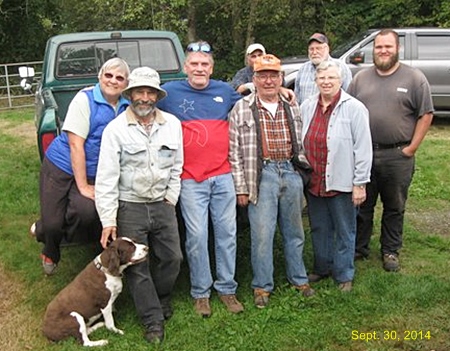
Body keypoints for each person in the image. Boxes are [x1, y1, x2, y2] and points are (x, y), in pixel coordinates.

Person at [95, 67, 183, 344]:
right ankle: (152, 320)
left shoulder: (172, 124)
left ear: (157, 95)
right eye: (139, 92)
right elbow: (106, 178)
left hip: (162, 204)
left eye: (150, 93)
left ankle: (160, 297)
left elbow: (177, 166)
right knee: (137, 267)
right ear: (130, 94)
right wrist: (109, 219)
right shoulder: (116, 130)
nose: (145, 98)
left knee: (173, 258)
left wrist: (171, 198)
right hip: (130, 206)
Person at [157, 41, 244, 318]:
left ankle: (227, 288)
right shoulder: (169, 92)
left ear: (212, 68)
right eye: (194, 64)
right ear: (185, 67)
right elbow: (139, 100)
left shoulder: (224, 91)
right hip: (190, 178)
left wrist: (284, 94)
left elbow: (251, 104)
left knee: (227, 233)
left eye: (204, 64)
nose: (199, 69)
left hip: (223, 175)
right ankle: (200, 292)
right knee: (196, 236)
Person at [229, 54, 315, 308]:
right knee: (262, 234)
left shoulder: (292, 104)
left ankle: (299, 279)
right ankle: (262, 286)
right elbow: (234, 151)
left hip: (290, 170)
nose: (268, 81)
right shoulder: (242, 107)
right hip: (261, 174)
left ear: (281, 79)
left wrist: (301, 171)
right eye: (262, 76)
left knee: (295, 232)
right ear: (253, 79)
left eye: (273, 75)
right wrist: (241, 188)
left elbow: (302, 140)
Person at [30, 57, 130, 275]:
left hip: (95, 171)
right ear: (99, 77)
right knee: (53, 225)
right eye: (108, 75)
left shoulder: (127, 105)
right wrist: (83, 186)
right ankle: (50, 247)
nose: (113, 81)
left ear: (126, 83)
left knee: (86, 213)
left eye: (119, 78)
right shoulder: (84, 100)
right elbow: (76, 146)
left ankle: (44, 225)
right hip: (60, 165)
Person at [348, 29, 434, 271]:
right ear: (372, 50)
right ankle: (359, 248)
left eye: (388, 47)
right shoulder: (360, 79)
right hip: (364, 154)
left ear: (397, 49)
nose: (383, 51)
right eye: (378, 47)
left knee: (394, 206)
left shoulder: (414, 78)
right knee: (362, 205)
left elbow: (426, 114)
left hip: (397, 155)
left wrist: (411, 148)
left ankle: (390, 250)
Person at [300, 61, 372, 292]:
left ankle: (343, 274)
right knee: (319, 227)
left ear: (340, 80)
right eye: (322, 78)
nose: (326, 82)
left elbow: (363, 149)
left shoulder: (354, 108)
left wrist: (360, 183)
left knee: (344, 228)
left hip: (343, 181)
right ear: (316, 81)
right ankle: (322, 267)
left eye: (331, 78)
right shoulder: (307, 105)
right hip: (315, 181)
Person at [294, 33, 352, 104]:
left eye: (318, 48)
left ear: (327, 49)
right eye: (311, 49)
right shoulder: (303, 69)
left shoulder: (341, 67)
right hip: (306, 113)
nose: (314, 52)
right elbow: (296, 98)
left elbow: (349, 96)